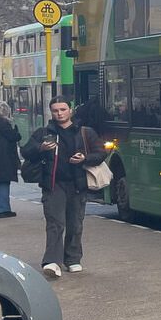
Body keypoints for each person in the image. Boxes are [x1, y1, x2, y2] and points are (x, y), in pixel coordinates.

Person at [21, 98, 106, 278]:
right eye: (55, 110)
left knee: (75, 223)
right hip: (53, 185)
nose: (59, 113)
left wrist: (84, 158)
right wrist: (41, 148)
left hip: (77, 184)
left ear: (70, 110)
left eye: (63, 109)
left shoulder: (85, 132)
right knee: (55, 223)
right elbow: (26, 151)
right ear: (51, 112)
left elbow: (100, 153)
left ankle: (73, 259)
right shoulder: (44, 133)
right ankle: (52, 261)